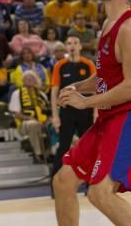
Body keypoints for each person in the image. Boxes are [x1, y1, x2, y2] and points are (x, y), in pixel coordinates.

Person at [53, 0, 131, 226]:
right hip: (110, 119)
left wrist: (86, 102)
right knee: (63, 181)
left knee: (100, 193)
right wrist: (79, 87)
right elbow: (105, 77)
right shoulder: (108, 23)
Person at [50, 35, 96, 176]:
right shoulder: (60, 65)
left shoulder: (88, 64)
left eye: (75, 43)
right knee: (63, 147)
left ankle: (90, 184)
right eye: (69, 43)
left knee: (88, 147)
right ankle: (55, 184)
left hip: (86, 110)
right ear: (66, 47)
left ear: (80, 46)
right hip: (67, 111)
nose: (72, 46)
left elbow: (97, 89)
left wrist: (96, 112)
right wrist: (55, 116)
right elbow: (54, 92)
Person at [9, 70, 49, 164]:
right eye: (27, 78)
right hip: (24, 124)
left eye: (32, 77)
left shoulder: (42, 95)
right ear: (22, 80)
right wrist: (31, 118)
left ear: (36, 81)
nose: (29, 79)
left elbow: (48, 110)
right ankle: (38, 154)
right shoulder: (17, 93)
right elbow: (17, 114)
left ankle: (53, 153)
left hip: (43, 121)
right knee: (33, 124)